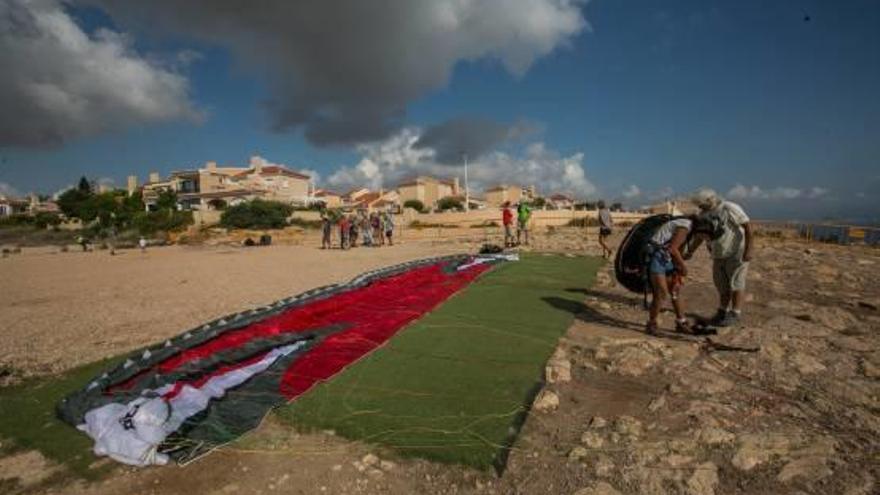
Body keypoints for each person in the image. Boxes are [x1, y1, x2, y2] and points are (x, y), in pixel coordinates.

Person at [645, 215, 722, 335]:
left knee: (675, 291)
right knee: (661, 293)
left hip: (666, 259)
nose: (705, 238)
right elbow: (673, 249)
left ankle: (682, 322)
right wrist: (683, 267)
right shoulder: (684, 227)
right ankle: (652, 324)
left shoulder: (688, 229)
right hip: (657, 258)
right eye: (706, 236)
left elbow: (675, 249)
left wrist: (677, 267)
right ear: (702, 230)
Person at [690, 189, 753, 327]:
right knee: (721, 284)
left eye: (701, 204)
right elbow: (701, 236)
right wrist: (690, 252)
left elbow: (747, 226)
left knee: (736, 283)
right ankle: (722, 311)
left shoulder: (729, 208)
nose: (700, 207)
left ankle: (735, 313)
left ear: (709, 201)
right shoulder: (704, 215)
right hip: (718, 254)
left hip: (737, 251)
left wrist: (748, 249)